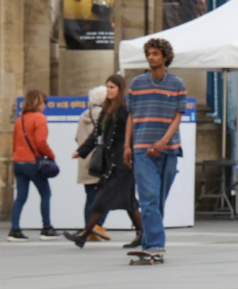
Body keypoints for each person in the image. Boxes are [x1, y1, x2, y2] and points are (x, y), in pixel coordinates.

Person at [65, 74, 146, 249]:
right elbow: (96, 135)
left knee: (102, 200)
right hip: (112, 163)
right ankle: (142, 233)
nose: (109, 90)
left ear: (120, 89)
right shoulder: (106, 110)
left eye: (112, 87)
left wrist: (131, 153)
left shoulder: (124, 109)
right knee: (129, 202)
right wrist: (81, 151)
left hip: (124, 163)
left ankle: (84, 235)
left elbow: (132, 134)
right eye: (107, 87)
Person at [126, 37, 188, 262]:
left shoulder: (177, 84)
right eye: (148, 54)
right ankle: (155, 245)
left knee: (158, 201)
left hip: (169, 149)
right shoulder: (136, 84)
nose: (151, 57)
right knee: (149, 198)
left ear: (165, 57)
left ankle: (148, 243)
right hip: (142, 148)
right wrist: (127, 145)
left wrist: (163, 142)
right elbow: (131, 116)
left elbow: (177, 117)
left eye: (155, 54)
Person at [6, 90, 59, 241]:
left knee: (21, 197)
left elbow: (15, 143)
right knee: (45, 194)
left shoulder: (20, 120)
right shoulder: (40, 118)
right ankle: (46, 228)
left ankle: (14, 229)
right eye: (44, 103)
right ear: (38, 103)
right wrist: (51, 155)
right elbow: (41, 141)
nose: (45, 106)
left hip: (18, 162)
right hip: (33, 163)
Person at [73, 85, 109, 240]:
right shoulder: (105, 115)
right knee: (106, 195)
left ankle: (88, 230)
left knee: (90, 197)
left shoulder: (84, 115)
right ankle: (97, 225)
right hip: (101, 161)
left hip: (85, 160)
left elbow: (77, 138)